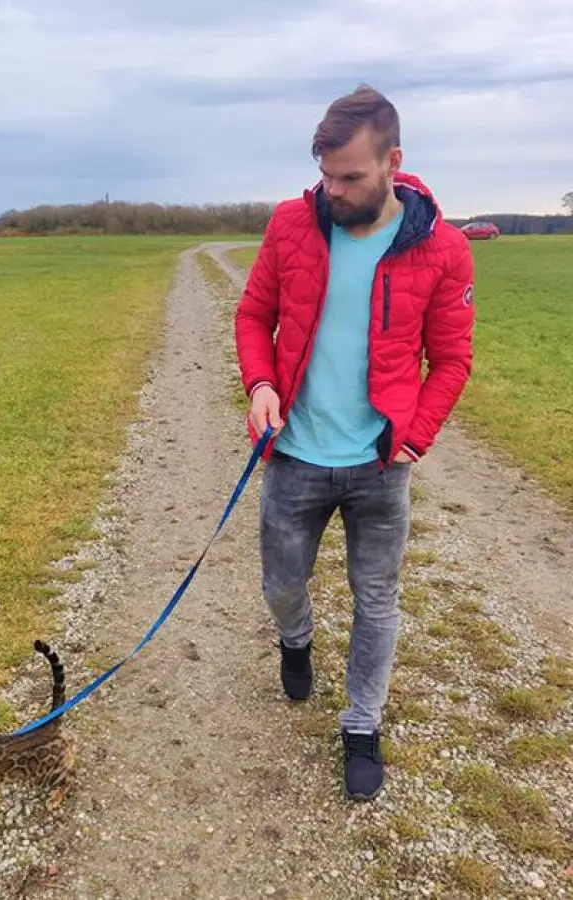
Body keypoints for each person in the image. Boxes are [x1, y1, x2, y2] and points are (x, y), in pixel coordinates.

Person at [234, 85, 475, 801]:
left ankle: (362, 725)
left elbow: (453, 359)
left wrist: (418, 435)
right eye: (326, 175)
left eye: (351, 177)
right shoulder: (290, 225)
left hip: (379, 467)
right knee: (281, 585)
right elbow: (253, 315)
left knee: (377, 599)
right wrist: (259, 386)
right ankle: (297, 638)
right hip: (296, 458)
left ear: (393, 162)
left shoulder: (443, 250)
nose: (332, 191)